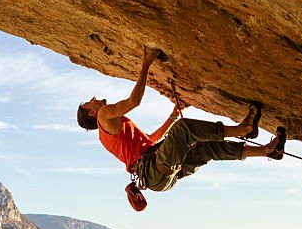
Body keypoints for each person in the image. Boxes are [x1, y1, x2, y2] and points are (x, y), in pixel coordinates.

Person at [77, 46, 286, 196]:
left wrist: (173, 115)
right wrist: (146, 63)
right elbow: (134, 101)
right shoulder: (105, 114)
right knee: (185, 129)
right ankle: (244, 129)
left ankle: (269, 151)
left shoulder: (108, 134)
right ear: (93, 114)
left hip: (157, 177)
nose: (94, 99)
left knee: (207, 148)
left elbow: (151, 139)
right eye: (89, 103)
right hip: (153, 168)